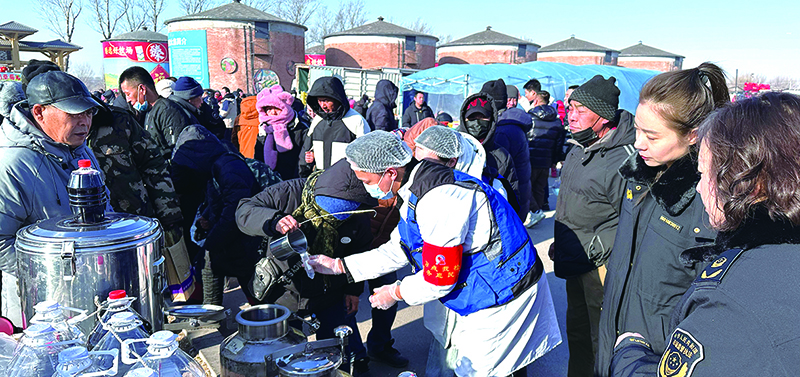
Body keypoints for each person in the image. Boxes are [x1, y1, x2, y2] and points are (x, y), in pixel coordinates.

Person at [309, 131, 561, 377]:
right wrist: (340, 265)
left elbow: (439, 277)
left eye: (367, 181)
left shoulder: (439, 198)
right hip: (483, 286)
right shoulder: (414, 187)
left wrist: (395, 292)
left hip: (505, 292)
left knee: (480, 369)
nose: (367, 190)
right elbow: (400, 248)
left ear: (389, 172)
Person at [611, 92, 800, 377]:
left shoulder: (732, 301)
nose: (699, 188)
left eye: (703, 174)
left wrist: (629, 356)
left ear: (751, 183)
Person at [595, 64, 727, 376]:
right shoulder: (639, 175)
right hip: (614, 338)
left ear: (693, 135)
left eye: (652, 135)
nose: (638, 143)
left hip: (657, 357)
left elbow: (709, 310)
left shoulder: (709, 204)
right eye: (638, 129)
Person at [235, 158, 377, 375]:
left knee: (338, 348)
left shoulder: (358, 214)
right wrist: (274, 220)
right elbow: (244, 211)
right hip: (284, 287)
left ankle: (349, 366)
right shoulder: (289, 192)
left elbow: (360, 251)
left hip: (331, 289)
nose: (336, 218)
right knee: (285, 354)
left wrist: (353, 291)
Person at [0, 71, 103, 327]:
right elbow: (1, 241)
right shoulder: (13, 163)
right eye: (74, 114)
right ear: (39, 112)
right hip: (41, 309)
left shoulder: (79, 149)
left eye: (89, 113)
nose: (84, 122)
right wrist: (51, 279)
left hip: (86, 292)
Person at [553, 74, 636, 377]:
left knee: (601, 338)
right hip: (576, 257)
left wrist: (596, 248)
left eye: (580, 110)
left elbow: (633, 219)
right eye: (570, 107)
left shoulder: (624, 159)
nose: (570, 115)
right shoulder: (579, 146)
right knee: (576, 333)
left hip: (600, 266)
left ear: (602, 117)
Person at [171, 125, 262, 304]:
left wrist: (213, 240)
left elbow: (236, 209)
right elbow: (221, 199)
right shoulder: (218, 163)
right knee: (211, 264)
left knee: (236, 268)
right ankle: (210, 313)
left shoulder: (227, 167)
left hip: (249, 230)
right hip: (242, 227)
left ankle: (262, 314)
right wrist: (207, 217)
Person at [457, 83, 522, 217]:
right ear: (464, 120)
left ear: (491, 120)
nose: (477, 122)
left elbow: (512, 195)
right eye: (472, 118)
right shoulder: (455, 149)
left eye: (482, 118)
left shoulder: (501, 155)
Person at [119, 67, 193, 160]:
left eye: (128, 94)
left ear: (142, 89)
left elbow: (178, 151)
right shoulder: (146, 113)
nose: (128, 99)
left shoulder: (167, 111)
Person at [302, 76, 370, 171]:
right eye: (319, 100)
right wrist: (310, 161)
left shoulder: (356, 120)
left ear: (337, 98)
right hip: (320, 179)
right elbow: (306, 152)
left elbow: (366, 156)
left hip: (346, 182)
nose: (322, 106)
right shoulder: (317, 121)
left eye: (326, 100)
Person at [527, 89, 565, 226]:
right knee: (539, 187)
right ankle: (535, 215)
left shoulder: (530, 118)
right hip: (546, 161)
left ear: (536, 101)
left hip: (530, 159)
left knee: (527, 187)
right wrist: (554, 161)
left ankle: (535, 212)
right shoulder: (556, 121)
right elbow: (559, 144)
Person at [255, 84, 309, 180]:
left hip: (292, 180)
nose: (273, 113)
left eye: (276, 108)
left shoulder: (300, 128)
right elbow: (258, 155)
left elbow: (302, 160)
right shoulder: (264, 128)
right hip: (268, 180)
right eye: (268, 109)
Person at [495, 106, 533, 223]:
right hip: (522, 187)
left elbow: (499, 166)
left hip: (512, 191)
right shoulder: (517, 128)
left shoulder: (503, 132)